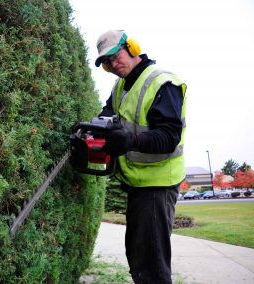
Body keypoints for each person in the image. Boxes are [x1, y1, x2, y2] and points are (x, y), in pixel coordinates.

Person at [94, 30, 187, 283]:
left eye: (116, 56)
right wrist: (92, 129)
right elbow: (108, 112)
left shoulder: (162, 82)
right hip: (138, 185)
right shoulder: (122, 85)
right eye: (107, 62)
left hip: (157, 186)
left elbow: (169, 137)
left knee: (151, 265)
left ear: (132, 48)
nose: (113, 65)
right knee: (138, 257)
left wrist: (130, 140)